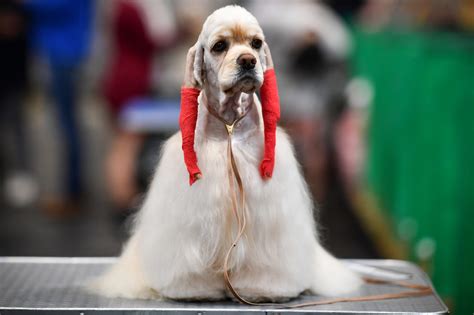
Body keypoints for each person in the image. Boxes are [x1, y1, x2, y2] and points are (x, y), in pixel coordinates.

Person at [25, 0, 94, 214]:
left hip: (62, 52)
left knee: (66, 125)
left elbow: (51, 6)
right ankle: (74, 187)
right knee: (69, 124)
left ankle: (70, 192)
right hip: (67, 51)